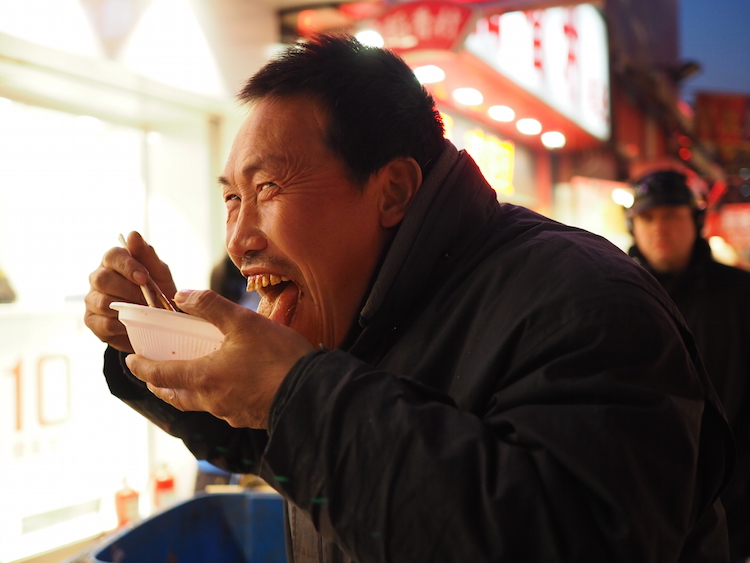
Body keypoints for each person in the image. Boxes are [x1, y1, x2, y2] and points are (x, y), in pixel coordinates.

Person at [84, 34, 733, 562]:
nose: (239, 238)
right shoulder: (363, 304)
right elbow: (270, 435)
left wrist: (289, 391)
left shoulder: (590, 302)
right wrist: (146, 334)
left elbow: (562, 537)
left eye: (269, 187)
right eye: (232, 196)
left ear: (392, 190)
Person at [627, 169, 750, 562]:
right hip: (641, 513)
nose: (659, 227)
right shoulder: (610, 296)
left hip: (735, 512)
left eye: (672, 215)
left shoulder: (741, 295)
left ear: (695, 222)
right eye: (648, 217)